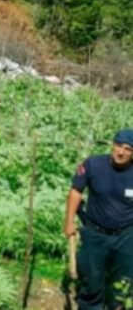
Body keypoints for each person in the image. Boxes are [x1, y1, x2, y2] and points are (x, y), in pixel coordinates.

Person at [64, 129, 133, 309]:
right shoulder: (93, 165)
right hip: (95, 235)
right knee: (91, 283)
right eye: (119, 146)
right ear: (112, 145)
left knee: (122, 285)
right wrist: (69, 222)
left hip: (126, 238)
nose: (121, 152)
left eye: (128, 149)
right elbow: (75, 192)